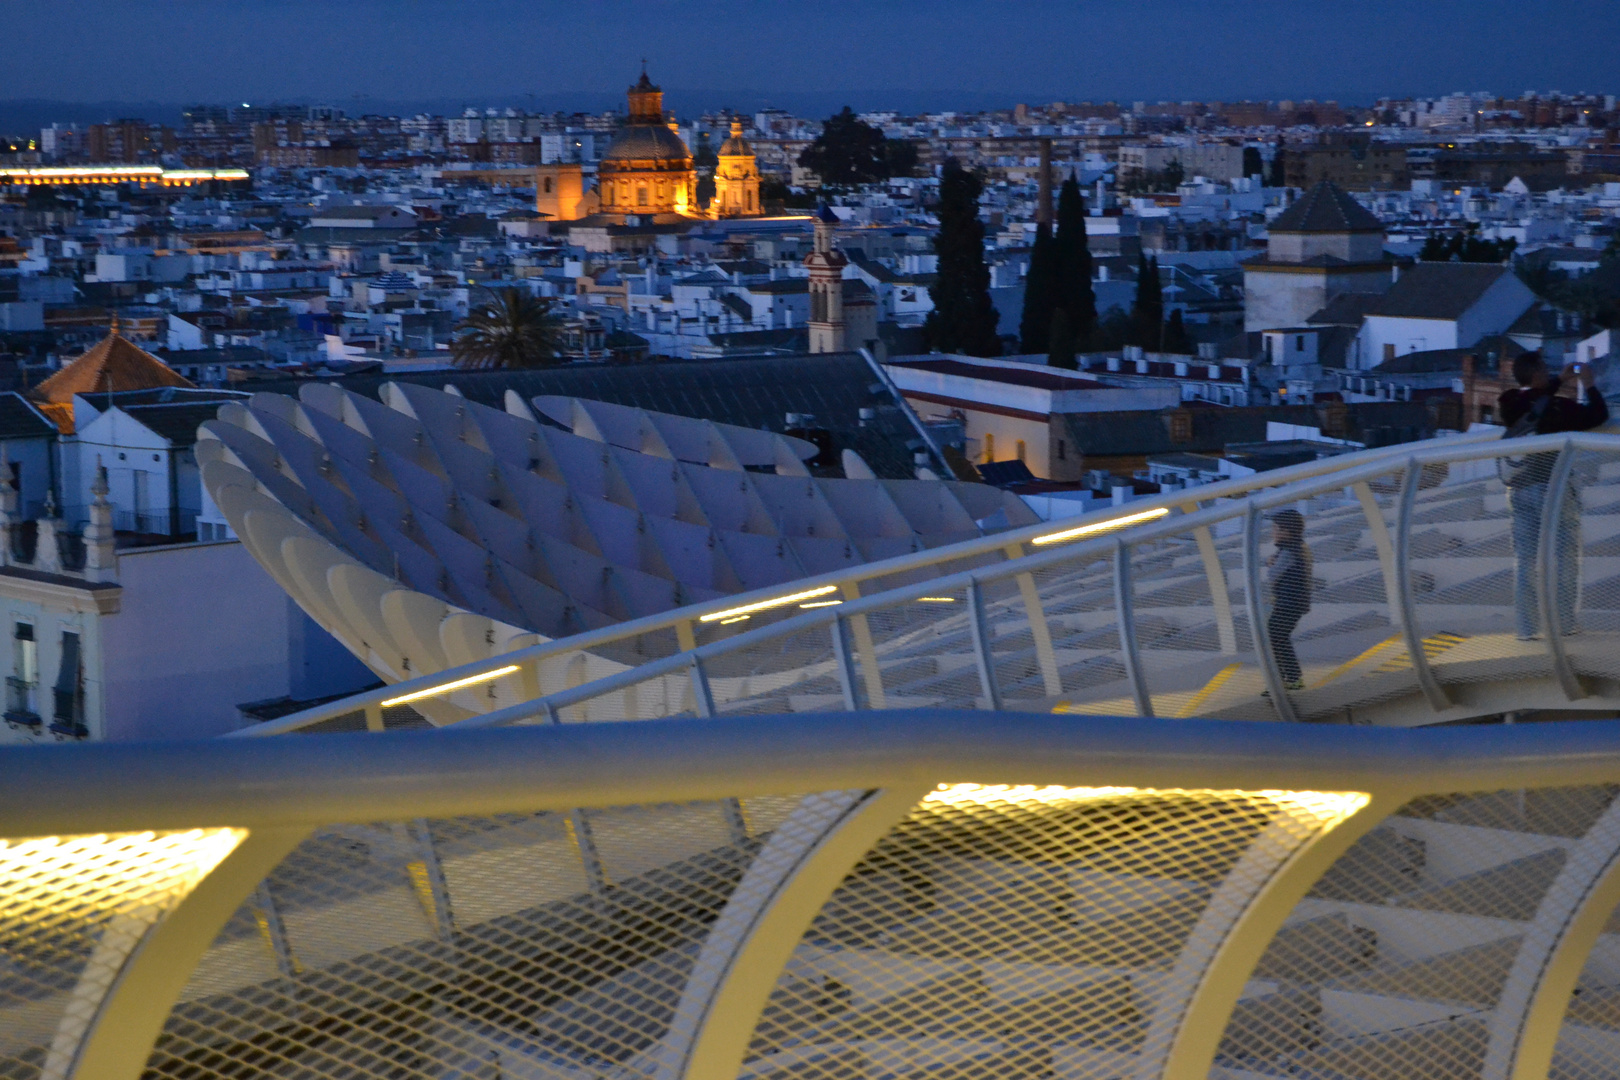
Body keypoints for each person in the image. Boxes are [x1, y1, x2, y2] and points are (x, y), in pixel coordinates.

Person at [1498, 353, 1608, 641]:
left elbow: (1532, 402)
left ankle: (1526, 627)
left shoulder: (1509, 403)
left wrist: (1560, 380)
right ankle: (1564, 623)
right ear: (1537, 374)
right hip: (1554, 487)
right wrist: (1588, 384)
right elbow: (1598, 415)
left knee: (1526, 559)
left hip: (1520, 487)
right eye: (1545, 371)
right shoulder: (1561, 408)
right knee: (1565, 554)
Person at [1266, 508, 1312, 691]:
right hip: (1295, 603)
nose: (1273, 532)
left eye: (1276, 529)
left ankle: (1287, 679)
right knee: (1279, 637)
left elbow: (1272, 575)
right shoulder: (1298, 547)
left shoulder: (1289, 552)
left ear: (1286, 531)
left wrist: (1271, 564)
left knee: (1274, 637)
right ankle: (1289, 678)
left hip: (1287, 603)